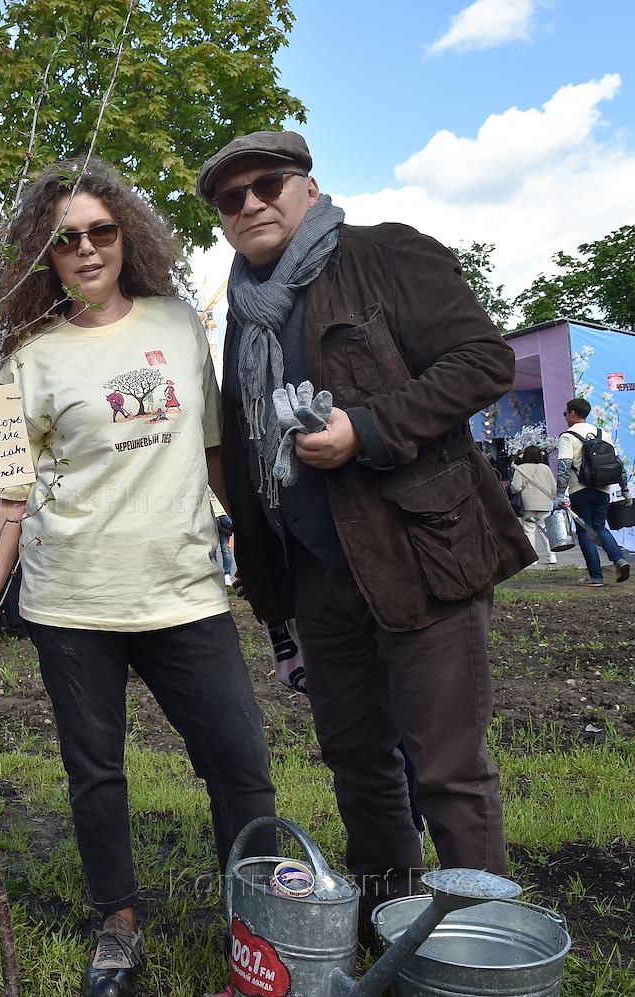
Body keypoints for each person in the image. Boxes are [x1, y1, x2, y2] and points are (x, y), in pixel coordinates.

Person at [195, 130, 535, 934]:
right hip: (315, 572)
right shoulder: (243, 316)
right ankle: (390, 923)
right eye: (229, 199)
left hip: (420, 555)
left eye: (266, 184)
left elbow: (485, 360)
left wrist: (368, 427)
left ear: (308, 188)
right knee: (358, 766)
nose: (249, 205)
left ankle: (471, 945)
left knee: (447, 769)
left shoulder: (387, 254)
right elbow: (244, 452)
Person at [0, 158, 276, 997]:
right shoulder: (30, 357)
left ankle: (258, 926)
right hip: (71, 598)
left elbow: (213, 450)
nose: (87, 249)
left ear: (126, 236)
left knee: (239, 761)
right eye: (66, 240)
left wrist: (260, 540)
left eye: (102, 231)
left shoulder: (179, 323)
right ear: (46, 256)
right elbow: (8, 496)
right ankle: (118, 923)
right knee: (95, 772)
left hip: (183, 589)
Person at [555, 397, 631, 586]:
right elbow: (618, 463)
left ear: (573, 413)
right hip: (603, 489)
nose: (566, 418)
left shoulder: (568, 436)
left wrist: (559, 494)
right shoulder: (602, 433)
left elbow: (564, 466)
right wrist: (625, 489)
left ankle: (595, 576)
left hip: (580, 489)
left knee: (584, 531)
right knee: (599, 527)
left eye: (566, 414)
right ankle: (619, 560)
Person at [510, 446, 558, 565]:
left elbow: (515, 488)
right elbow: (553, 486)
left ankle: (532, 559)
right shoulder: (545, 468)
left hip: (527, 503)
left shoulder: (520, 468)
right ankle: (551, 556)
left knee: (529, 530)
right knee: (544, 529)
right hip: (544, 502)